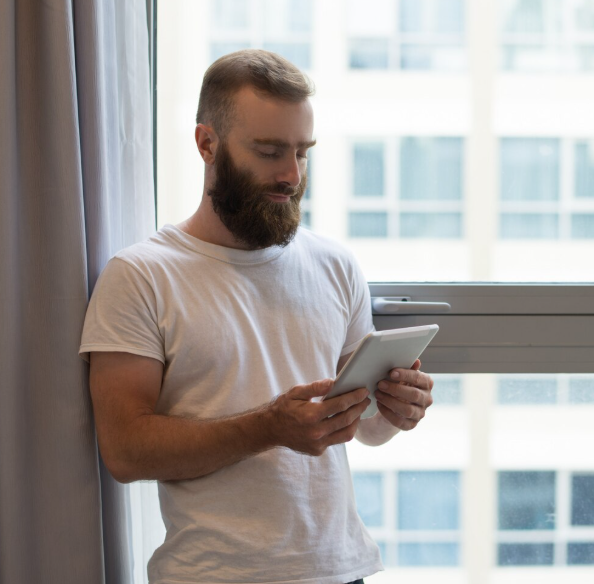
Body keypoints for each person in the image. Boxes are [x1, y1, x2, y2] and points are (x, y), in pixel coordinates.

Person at [80, 49, 434, 584]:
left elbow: (366, 429)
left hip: (341, 569)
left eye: (302, 152)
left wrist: (396, 408)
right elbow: (125, 451)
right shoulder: (140, 276)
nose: (291, 175)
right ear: (207, 144)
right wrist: (267, 427)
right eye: (269, 151)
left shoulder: (335, 265)